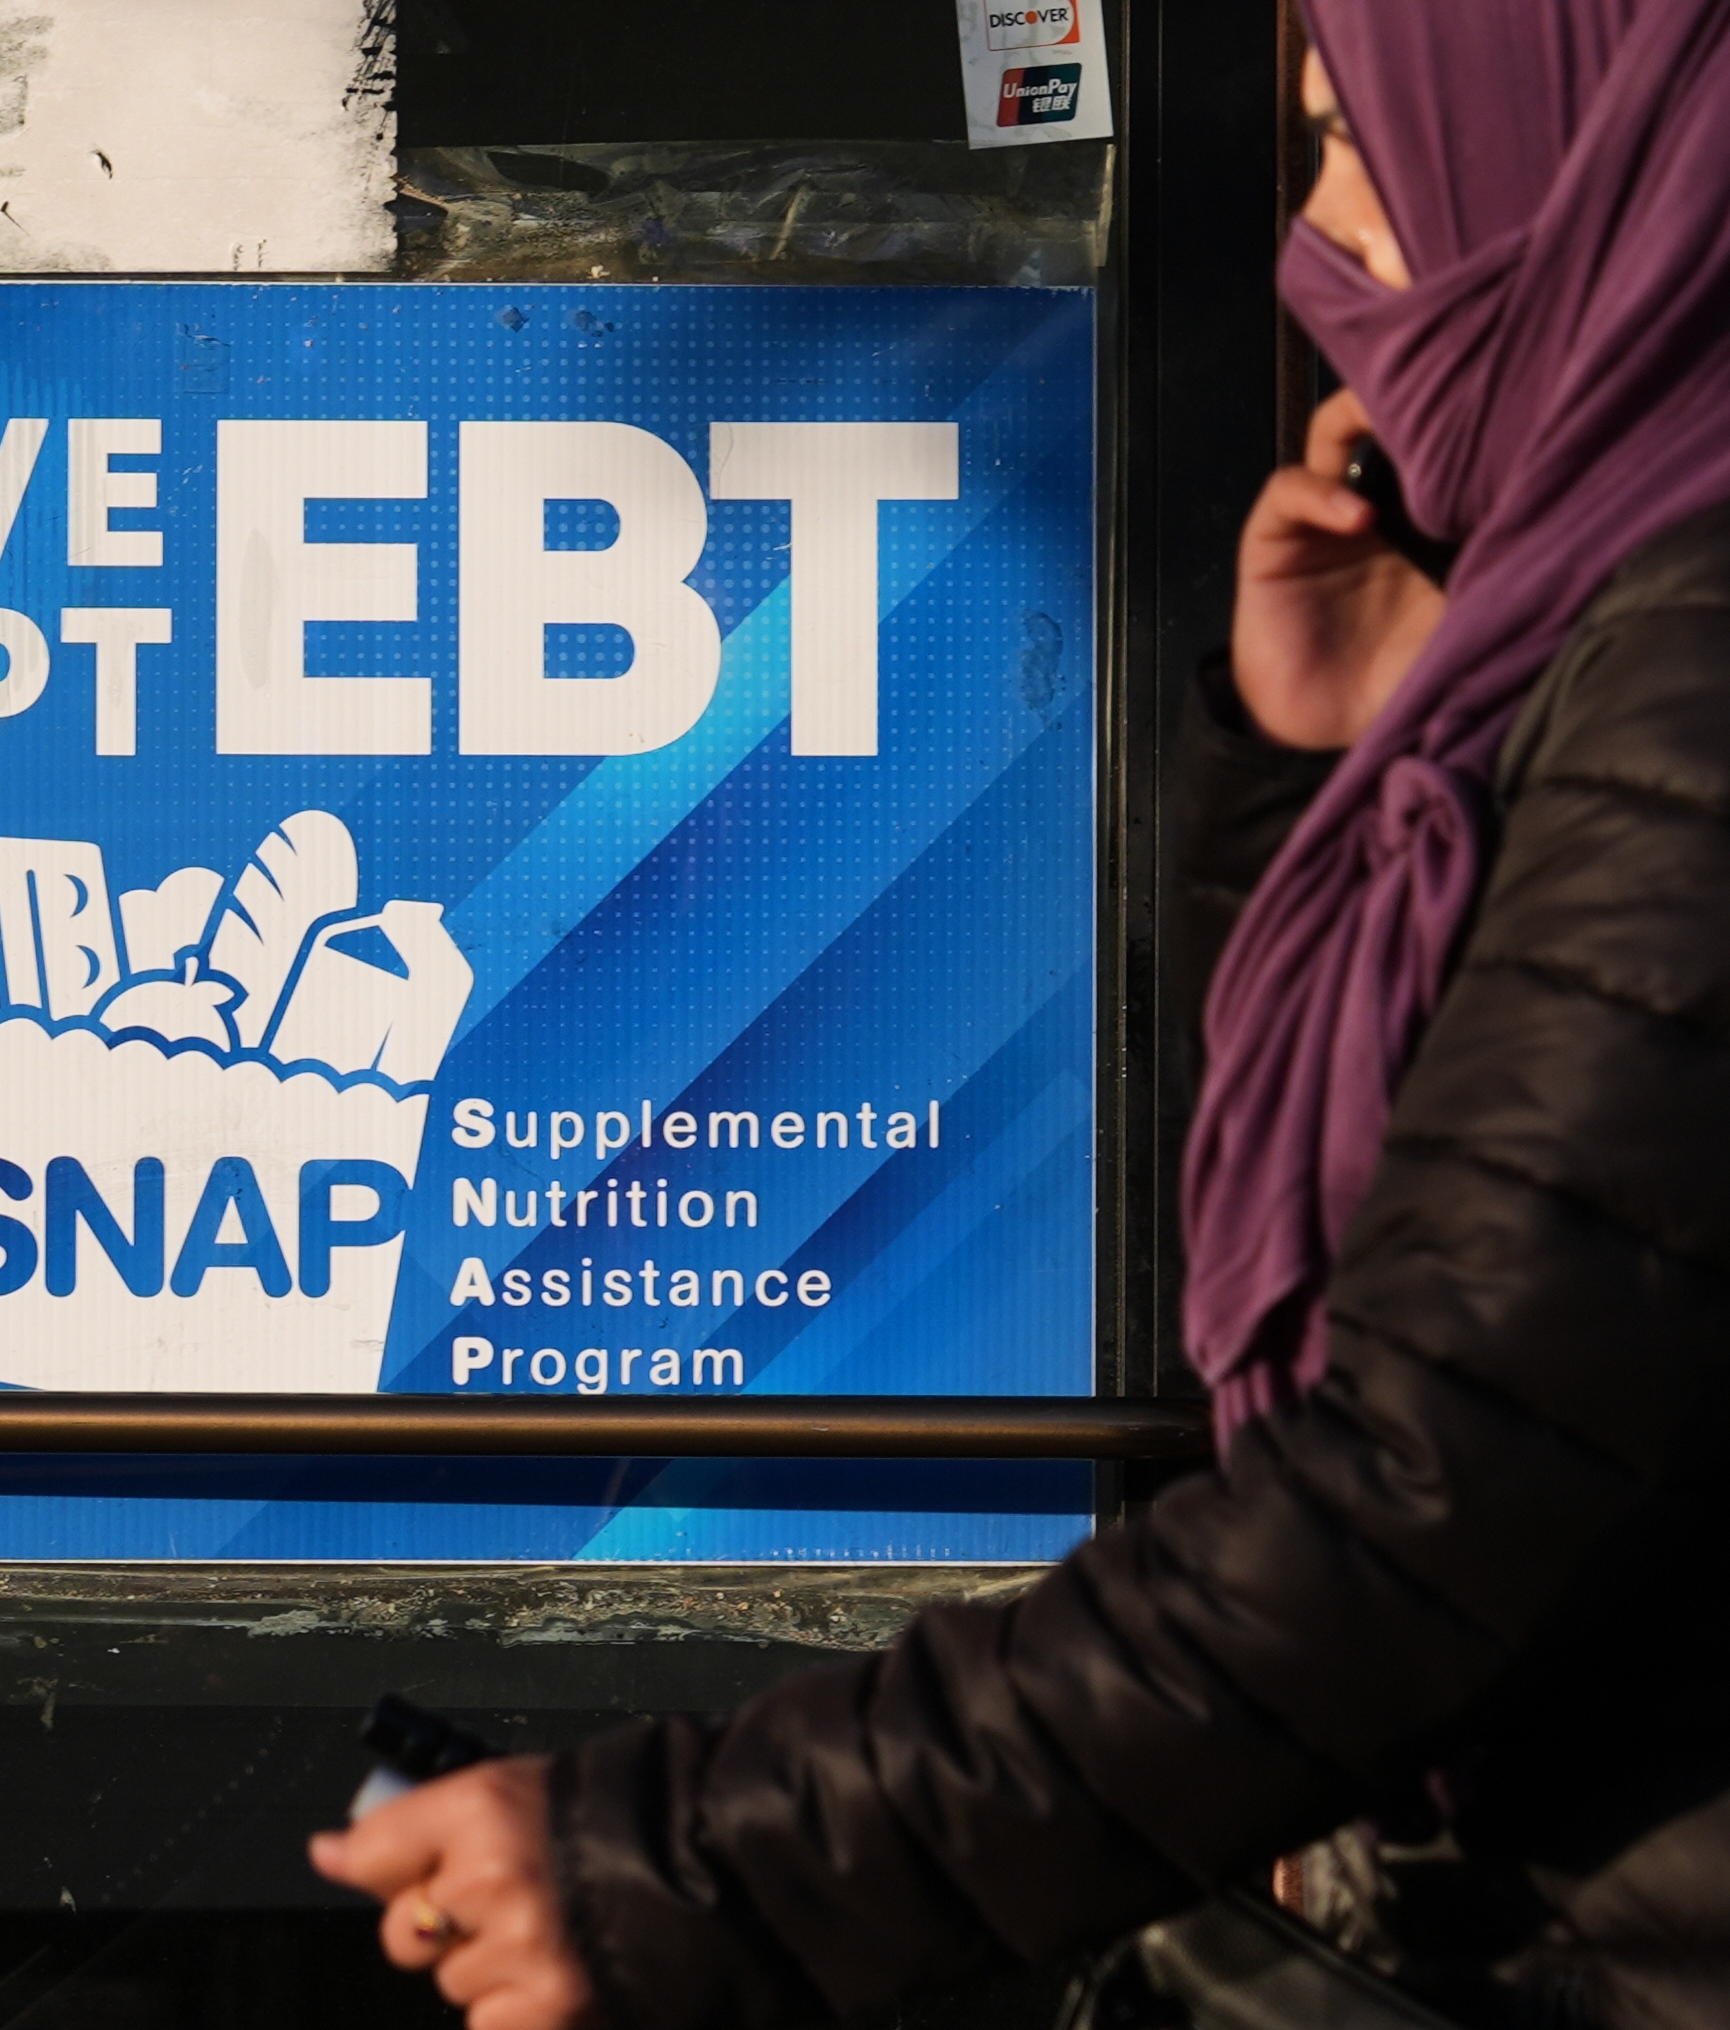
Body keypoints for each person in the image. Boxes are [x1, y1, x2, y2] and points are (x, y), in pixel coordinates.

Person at [310, 1, 1730, 2023]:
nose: (1307, 238)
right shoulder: (1597, 627)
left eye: (1352, 147)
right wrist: (1314, 768)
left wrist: (680, 1872)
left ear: (1562, 161)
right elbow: (1402, 1262)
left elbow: (1412, 1506)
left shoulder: (1687, 669)